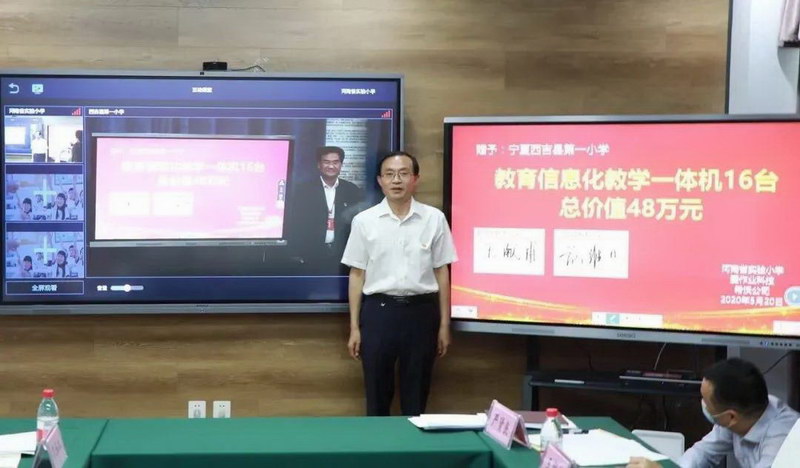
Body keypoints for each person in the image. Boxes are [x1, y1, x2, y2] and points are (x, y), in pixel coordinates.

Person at [341, 150, 457, 416]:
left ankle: (412, 442)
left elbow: (442, 272)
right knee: (377, 393)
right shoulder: (364, 221)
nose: (396, 180)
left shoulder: (434, 218)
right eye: (390, 174)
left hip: (421, 313)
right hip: (378, 313)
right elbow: (356, 275)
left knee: (416, 395)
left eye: (404, 173)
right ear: (380, 180)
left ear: (415, 179)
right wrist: (354, 328)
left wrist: (444, 325)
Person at [627, 358, 799, 468]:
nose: (702, 405)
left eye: (706, 402)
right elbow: (703, 452)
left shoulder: (783, 444)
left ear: (731, 417)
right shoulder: (744, 410)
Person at [288, 146, 364, 274]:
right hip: (311, 255)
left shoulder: (351, 190)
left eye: (335, 162)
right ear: (319, 165)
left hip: (343, 254)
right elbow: (295, 223)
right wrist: (296, 253)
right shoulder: (303, 190)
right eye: (326, 162)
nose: (331, 166)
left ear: (341, 165)